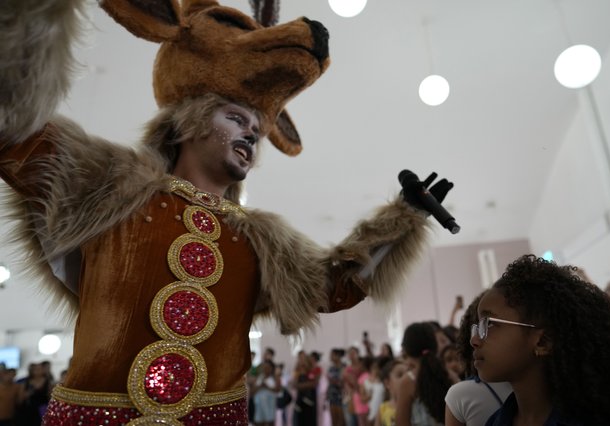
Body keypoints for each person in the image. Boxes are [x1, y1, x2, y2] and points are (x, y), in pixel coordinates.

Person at [0, 0, 454, 424]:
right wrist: (32, 16)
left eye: (257, 129)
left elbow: (331, 287)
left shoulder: (263, 241)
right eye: (237, 119)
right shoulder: (108, 185)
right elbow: (14, 129)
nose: (251, 135)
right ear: (189, 120)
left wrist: (402, 220)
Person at [473, 255, 610, 426]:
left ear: (543, 342)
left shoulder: (596, 421)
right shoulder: (494, 422)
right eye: (477, 326)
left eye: (490, 323)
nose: (474, 340)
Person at [444, 291, 511, 426]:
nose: (474, 340)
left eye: (489, 325)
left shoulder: (461, 395)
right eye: (476, 329)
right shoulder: (461, 394)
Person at [396, 322, 452, 426]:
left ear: (407, 350)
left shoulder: (408, 381)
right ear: (434, 345)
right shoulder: (449, 375)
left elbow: (401, 423)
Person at [374, 359, 406, 426]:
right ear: (387, 383)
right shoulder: (382, 409)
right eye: (400, 375)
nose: (405, 379)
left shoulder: (414, 407)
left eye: (407, 375)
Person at [326, 348, 346, 426]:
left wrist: (333, 381)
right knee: (334, 421)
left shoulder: (344, 367)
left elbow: (342, 382)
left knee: (341, 420)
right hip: (332, 396)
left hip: (341, 396)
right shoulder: (331, 368)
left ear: (338, 356)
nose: (330, 357)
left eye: (332, 355)